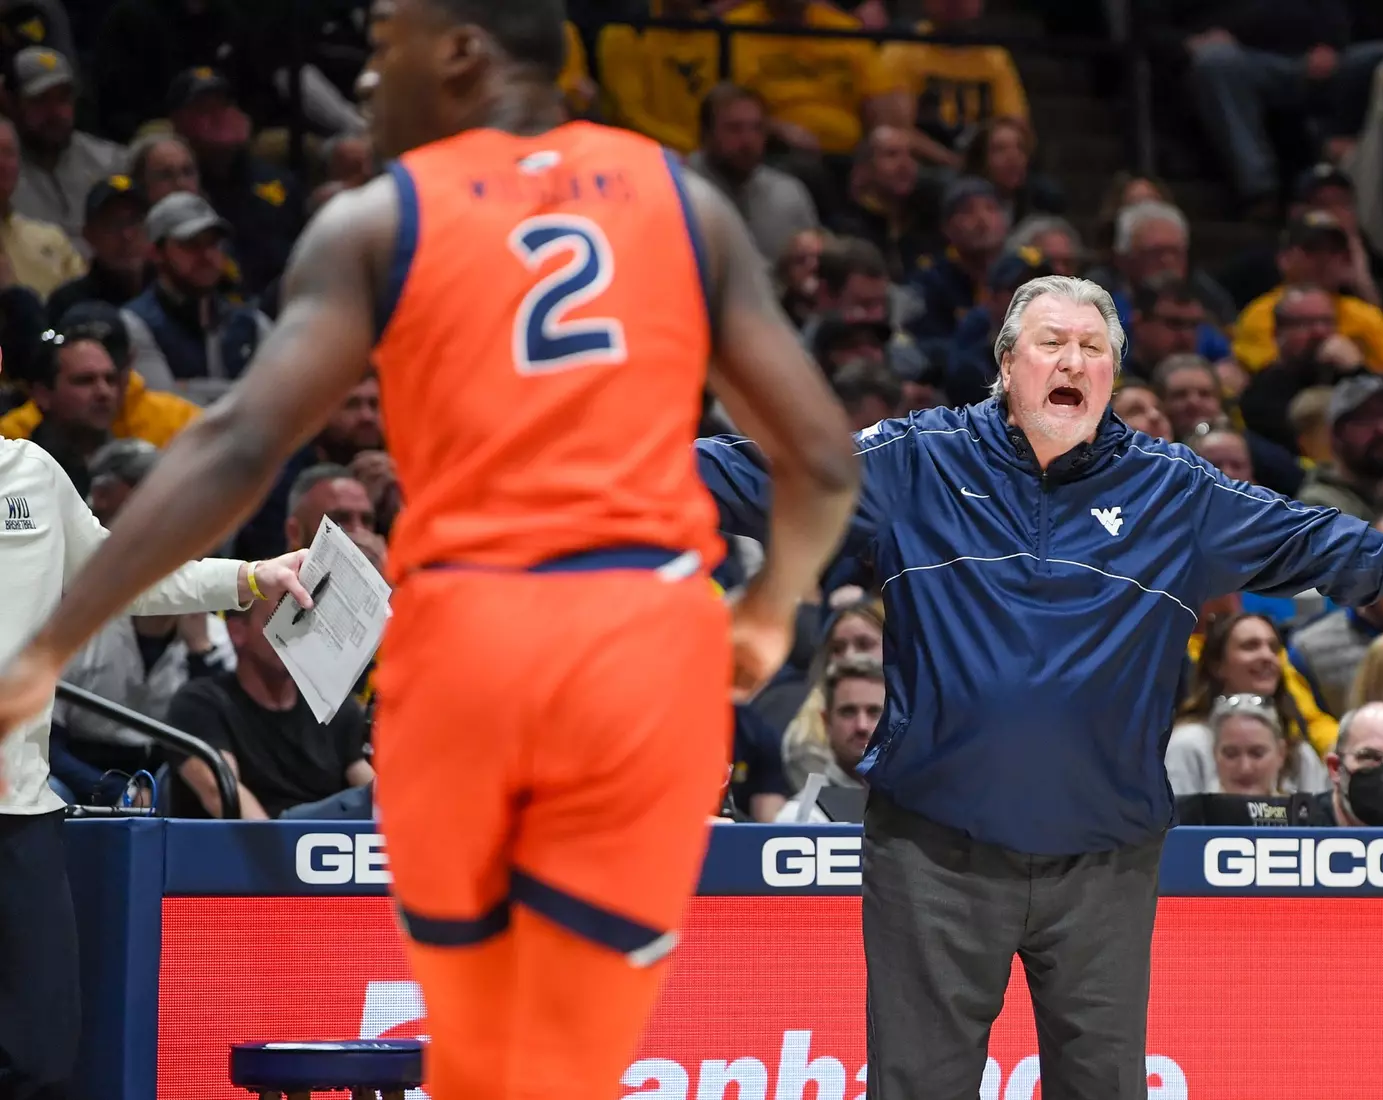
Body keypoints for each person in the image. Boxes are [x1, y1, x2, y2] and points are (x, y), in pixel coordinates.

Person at [0, 2, 861, 1099]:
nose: (362, 84)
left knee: (479, 1052)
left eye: (380, 49)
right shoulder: (686, 203)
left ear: (460, 53)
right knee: (571, 1059)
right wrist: (771, 605)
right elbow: (826, 460)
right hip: (647, 646)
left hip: (474, 642)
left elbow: (237, 444)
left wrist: (50, 642)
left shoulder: (379, 219)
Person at [695, 273, 1383, 1099]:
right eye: (1051, 343)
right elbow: (757, 473)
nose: (1072, 361)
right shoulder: (912, 464)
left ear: (1115, 374)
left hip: (1104, 861)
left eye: (1093, 348)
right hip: (933, 851)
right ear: (1007, 364)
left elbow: (1321, 541)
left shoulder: (1174, 493)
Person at [0, 426, 308, 1097]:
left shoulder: (33, 474)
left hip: (19, 815)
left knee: (41, 1056)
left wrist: (252, 577)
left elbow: (126, 578)